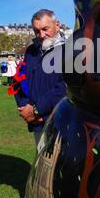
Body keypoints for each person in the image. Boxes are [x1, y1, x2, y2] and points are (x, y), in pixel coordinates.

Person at [16, 9, 67, 151]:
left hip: (61, 122)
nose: (41, 35)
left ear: (57, 25)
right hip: (37, 123)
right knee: (42, 167)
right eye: (37, 31)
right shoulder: (31, 51)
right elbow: (20, 80)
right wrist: (25, 107)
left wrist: (38, 111)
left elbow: (65, 88)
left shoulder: (70, 51)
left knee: (64, 168)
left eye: (45, 29)